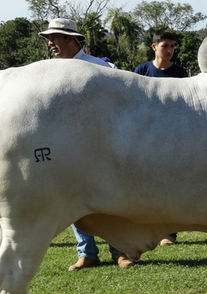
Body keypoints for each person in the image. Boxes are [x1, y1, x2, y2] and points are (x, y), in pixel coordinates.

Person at [39, 18, 135, 271]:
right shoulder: (47, 72)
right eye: (49, 39)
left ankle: (120, 251)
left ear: (70, 38)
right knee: (73, 201)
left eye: (54, 38)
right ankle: (87, 253)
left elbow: (122, 104)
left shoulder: (102, 67)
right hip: (66, 148)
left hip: (102, 148)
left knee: (111, 200)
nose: (50, 43)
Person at [134, 29, 188, 246]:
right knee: (147, 183)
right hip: (146, 135)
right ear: (154, 47)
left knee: (171, 184)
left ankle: (169, 233)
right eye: (165, 46)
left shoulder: (180, 72)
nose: (170, 50)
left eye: (172, 46)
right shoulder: (142, 70)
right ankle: (147, 230)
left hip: (173, 135)